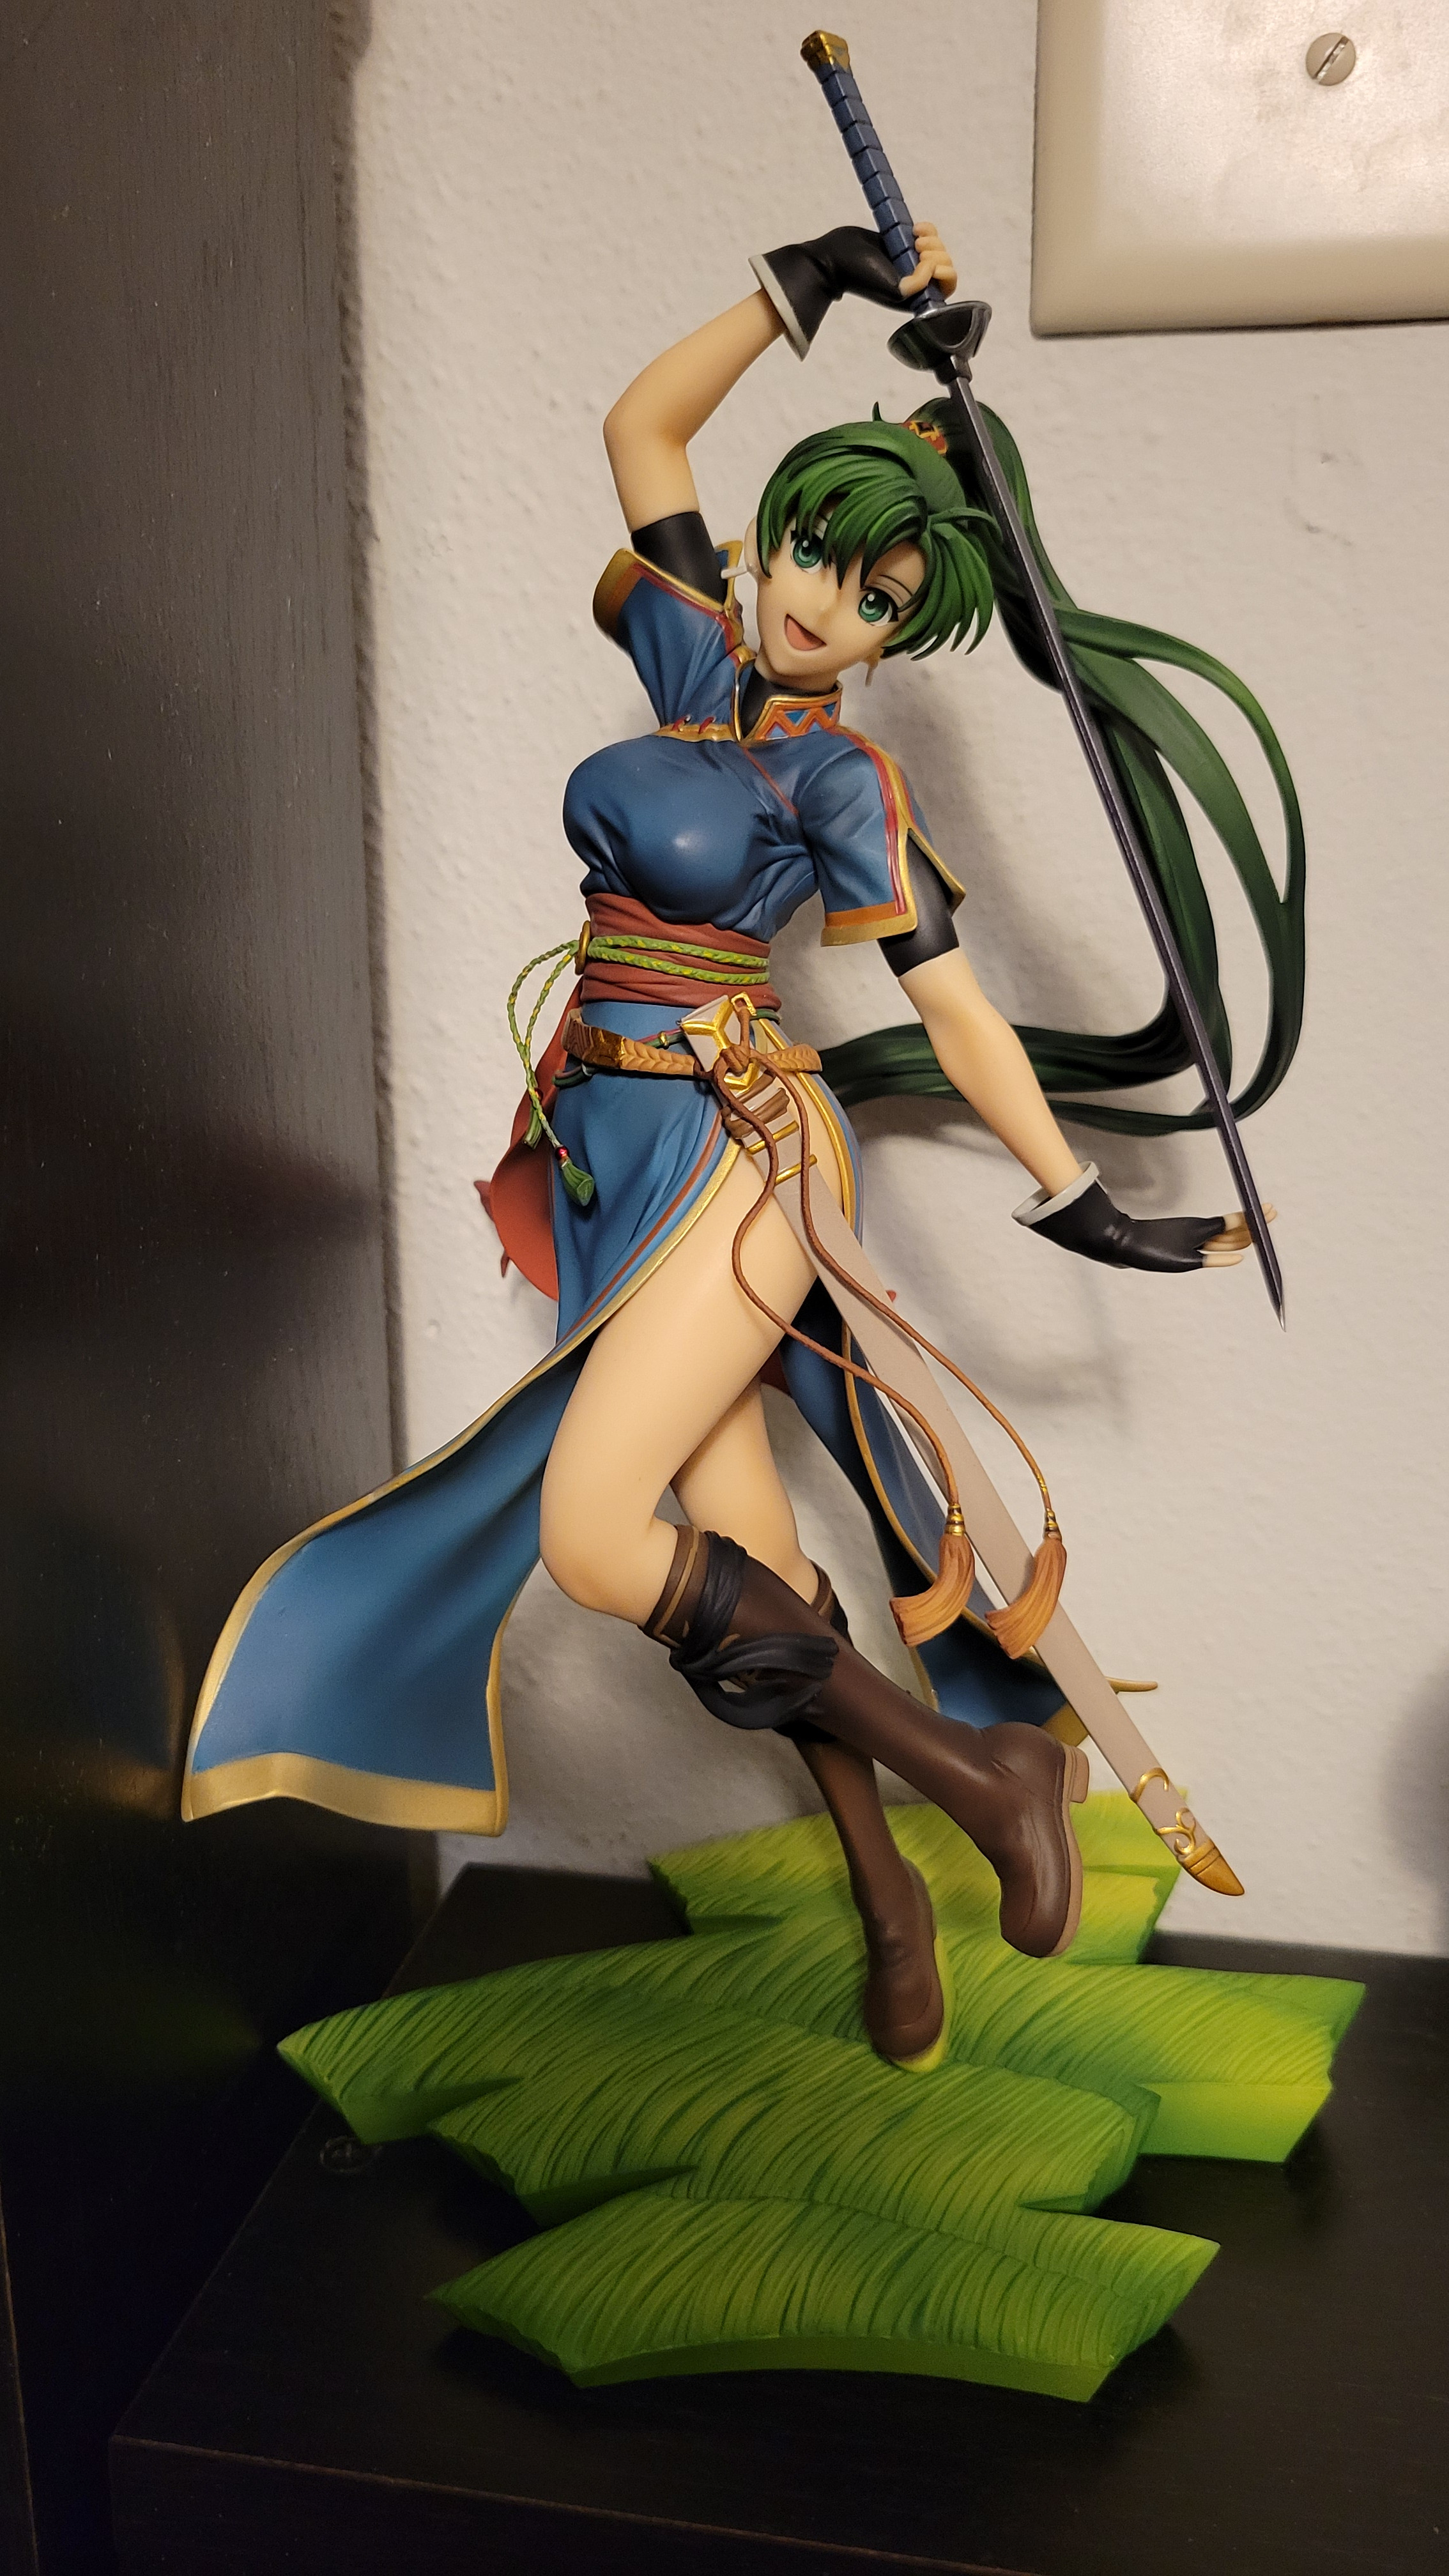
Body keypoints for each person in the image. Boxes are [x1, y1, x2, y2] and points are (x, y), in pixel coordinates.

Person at [183, 224, 1288, 2078]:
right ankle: (887, 1889)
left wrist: (1079, 1197)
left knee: (589, 1535)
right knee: (744, 1552)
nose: (822, 608)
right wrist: (804, 285)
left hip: (739, 1145)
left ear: (899, 633)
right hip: (613, 1143)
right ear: (767, 544)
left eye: (875, 599)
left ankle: (984, 1776)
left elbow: (950, 1008)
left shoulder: (842, 781)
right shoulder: (690, 645)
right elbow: (641, 425)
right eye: (812, 558)